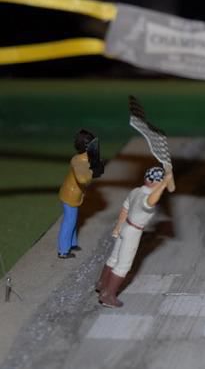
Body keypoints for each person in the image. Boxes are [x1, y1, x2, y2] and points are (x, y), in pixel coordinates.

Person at [96, 166, 174, 308]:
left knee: (114, 258)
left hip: (125, 225)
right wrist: (164, 184)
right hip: (133, 231)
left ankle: (102, 284)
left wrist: (118, 227)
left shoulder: (136, 191)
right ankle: (108, 296)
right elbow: (150, 201)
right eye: (160, 181)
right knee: (123, 265)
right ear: (156, 182)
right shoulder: (148, 196)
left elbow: (125, 209)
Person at [57, 129, 104, 258]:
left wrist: (95, 165)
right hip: (70, 195)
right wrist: (92, 171)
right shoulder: (78, 161)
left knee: (73, 220)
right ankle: (63, 250)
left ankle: (72, 243)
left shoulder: (84, 158)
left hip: (74, 195)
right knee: (69, 222)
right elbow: (82, 179)